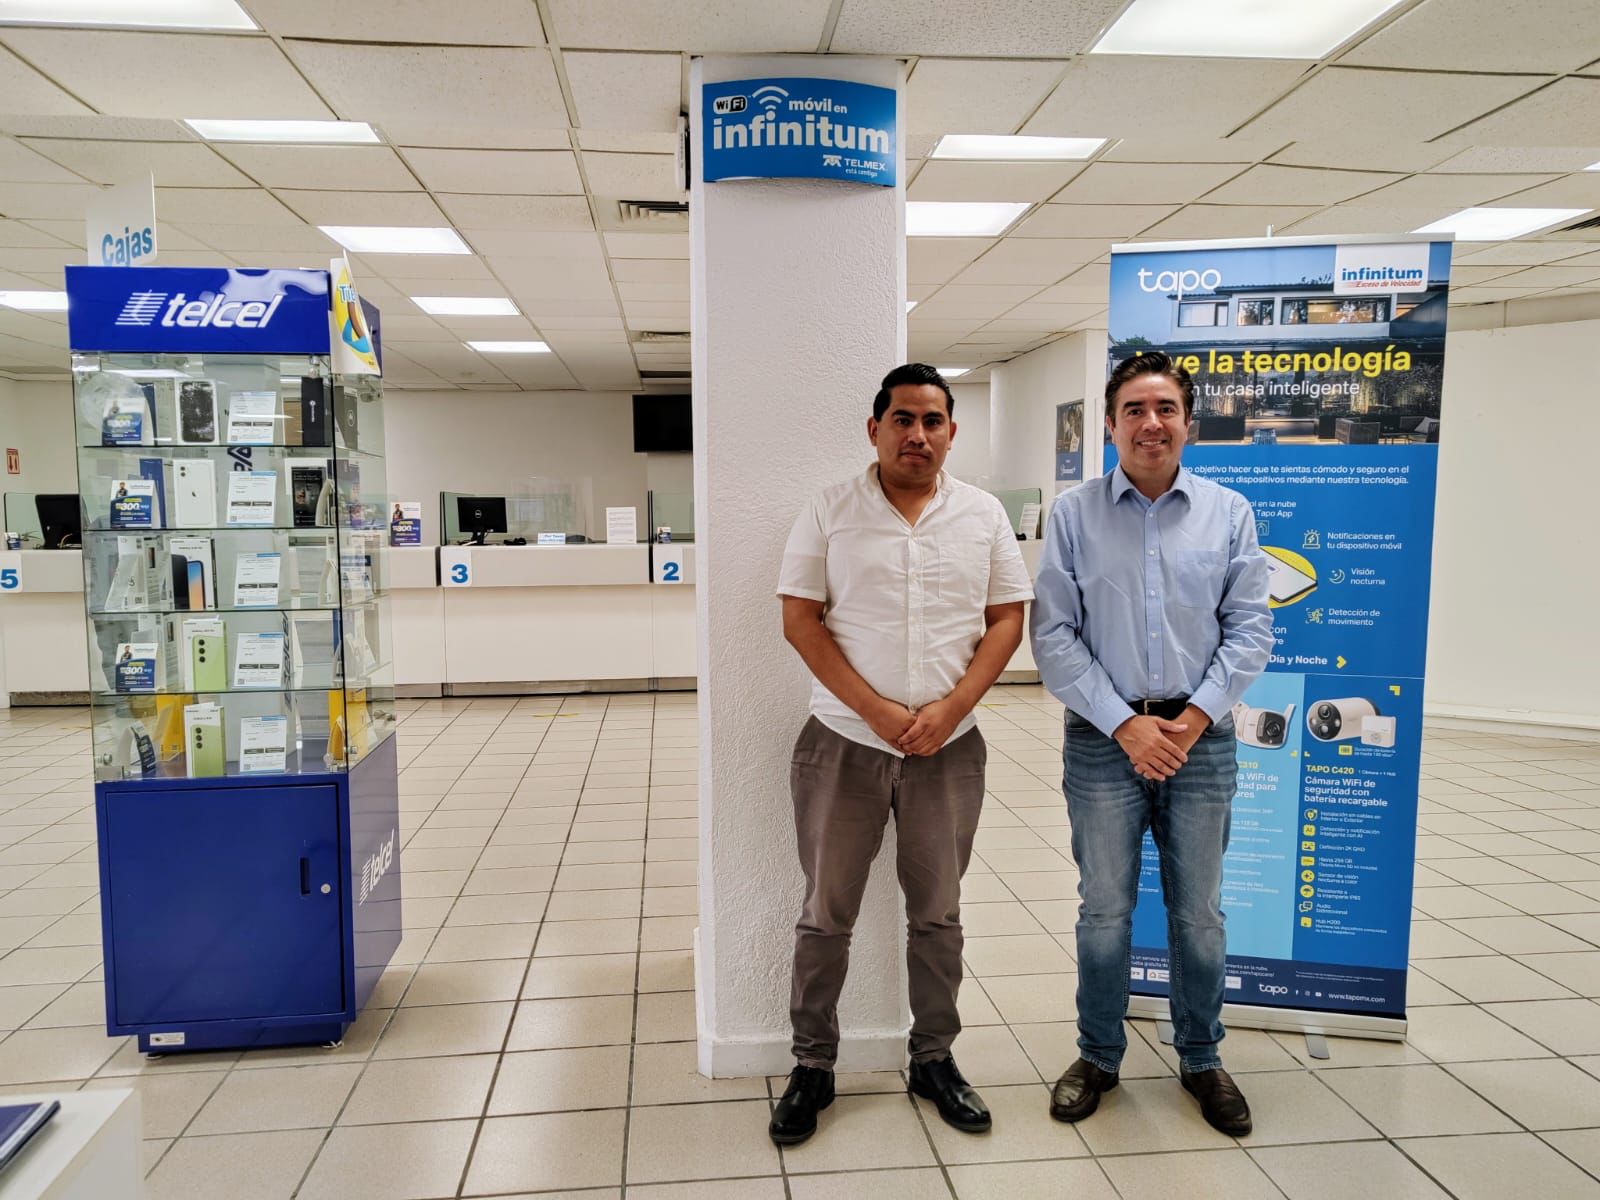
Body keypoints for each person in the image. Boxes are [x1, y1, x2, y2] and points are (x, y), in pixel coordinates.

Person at [769, 362, 1035, 1146]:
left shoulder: (982, 514)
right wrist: (877, 710)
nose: (917, 434)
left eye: (932, 421)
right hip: (843, 744)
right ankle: (812, 1066)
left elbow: (1006, 619)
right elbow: (800, 619)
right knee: (826, 916)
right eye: (903, 419)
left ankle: (934, 1059)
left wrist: (951, 709)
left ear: (951, 431)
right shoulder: (829, 509)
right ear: (875, 429)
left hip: (949, 749)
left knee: (939, 915)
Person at [1030, 350, 1273, 1137]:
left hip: (1201, 742)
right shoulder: (1074, 515)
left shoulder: (1229, 513)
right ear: (1110, 425)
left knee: (1197, 912)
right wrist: (1125, 724)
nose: (1150, 423)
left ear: (1187, 423)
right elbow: (1053, 634)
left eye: (1165, 408)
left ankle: (1201, 1057)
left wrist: (1191, 720)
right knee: (1104, 908)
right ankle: (1099, 1055)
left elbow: (1250, 630)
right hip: (1105, 740)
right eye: (1133, 409)